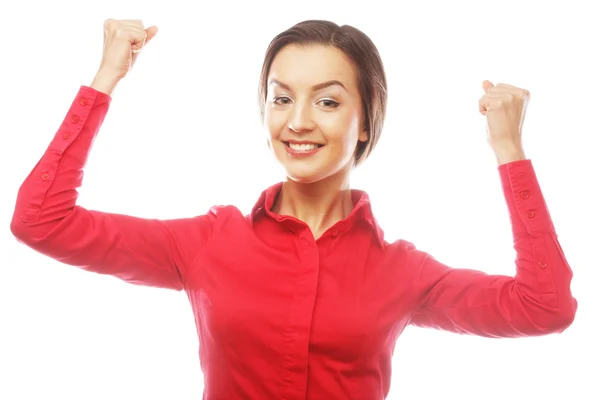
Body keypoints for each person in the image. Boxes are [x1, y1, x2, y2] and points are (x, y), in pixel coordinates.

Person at [10, 18, 577, 399]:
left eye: (327, 101)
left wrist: (509, 150)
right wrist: (106, 76)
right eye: (281, 98)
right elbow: (41, 221)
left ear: (367, 122)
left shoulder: (403, 272)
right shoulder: (208, 243)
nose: (298, 121)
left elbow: (545, 308)